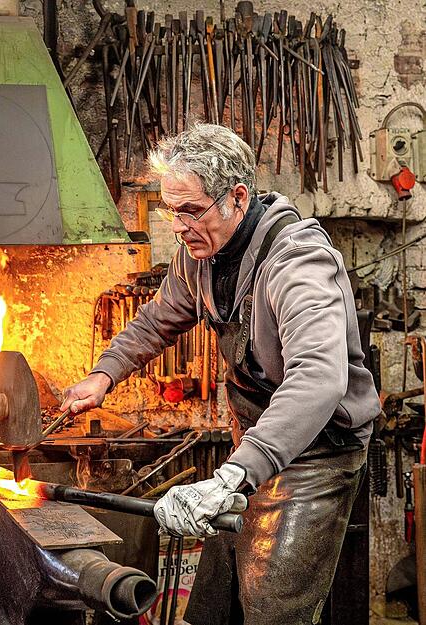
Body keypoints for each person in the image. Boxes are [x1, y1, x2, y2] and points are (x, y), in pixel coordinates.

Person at [60, 124, 380, 625]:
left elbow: (318, 378)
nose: (179, 226)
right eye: (171, 210)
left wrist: (234, 473)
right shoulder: (199, 257)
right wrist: (104, 376)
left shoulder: (298, 263)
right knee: (213, 604)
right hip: (254, 444)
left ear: (236, 197)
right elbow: (157, 319)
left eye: (191, 210)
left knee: (273, 609)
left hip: (318, 450)